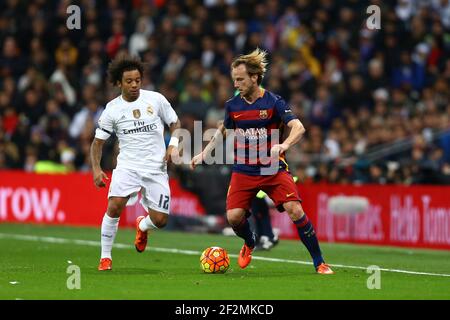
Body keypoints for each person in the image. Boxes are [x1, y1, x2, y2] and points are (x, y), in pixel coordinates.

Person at [191, 49, 333, 274]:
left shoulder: (274, 101)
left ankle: (319, 262)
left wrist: (284, 145)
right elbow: (223, 130)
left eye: (240, 79)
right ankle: (250, 241)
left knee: (295, 210)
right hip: (244, 170)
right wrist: (204, 153)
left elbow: (299, 127)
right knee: (234, 217)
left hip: (273, 168)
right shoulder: (233, 105)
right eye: (234, 80)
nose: (236, 84)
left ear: (254, 77)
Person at [90, 56, 180, 271]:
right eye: (129, 81)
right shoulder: (112, 109)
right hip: (128, 167)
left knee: (160, 220)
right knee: (115, 205)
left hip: (156, 168)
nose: (134, 85)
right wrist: (96, 169)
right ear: (119, 83)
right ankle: (105, 257)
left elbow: (175, 123)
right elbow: (97, 143)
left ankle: (142, 225)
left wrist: (173, 145)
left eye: (137, 80)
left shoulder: (155, 100)